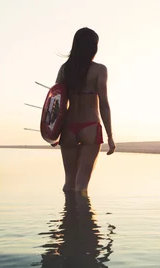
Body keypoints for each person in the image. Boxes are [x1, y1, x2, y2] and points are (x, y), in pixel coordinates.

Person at [55, 27, 116, 195]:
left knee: (69, 182)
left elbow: (56, 102)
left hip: (68, 128)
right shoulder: (99, 70)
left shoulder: (65, 69)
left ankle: (68, 219)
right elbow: (104, 104)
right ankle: (83, 219)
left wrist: (53, 132)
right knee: (82, 184)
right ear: (93, 47)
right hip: (90, 126)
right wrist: (110, 136)